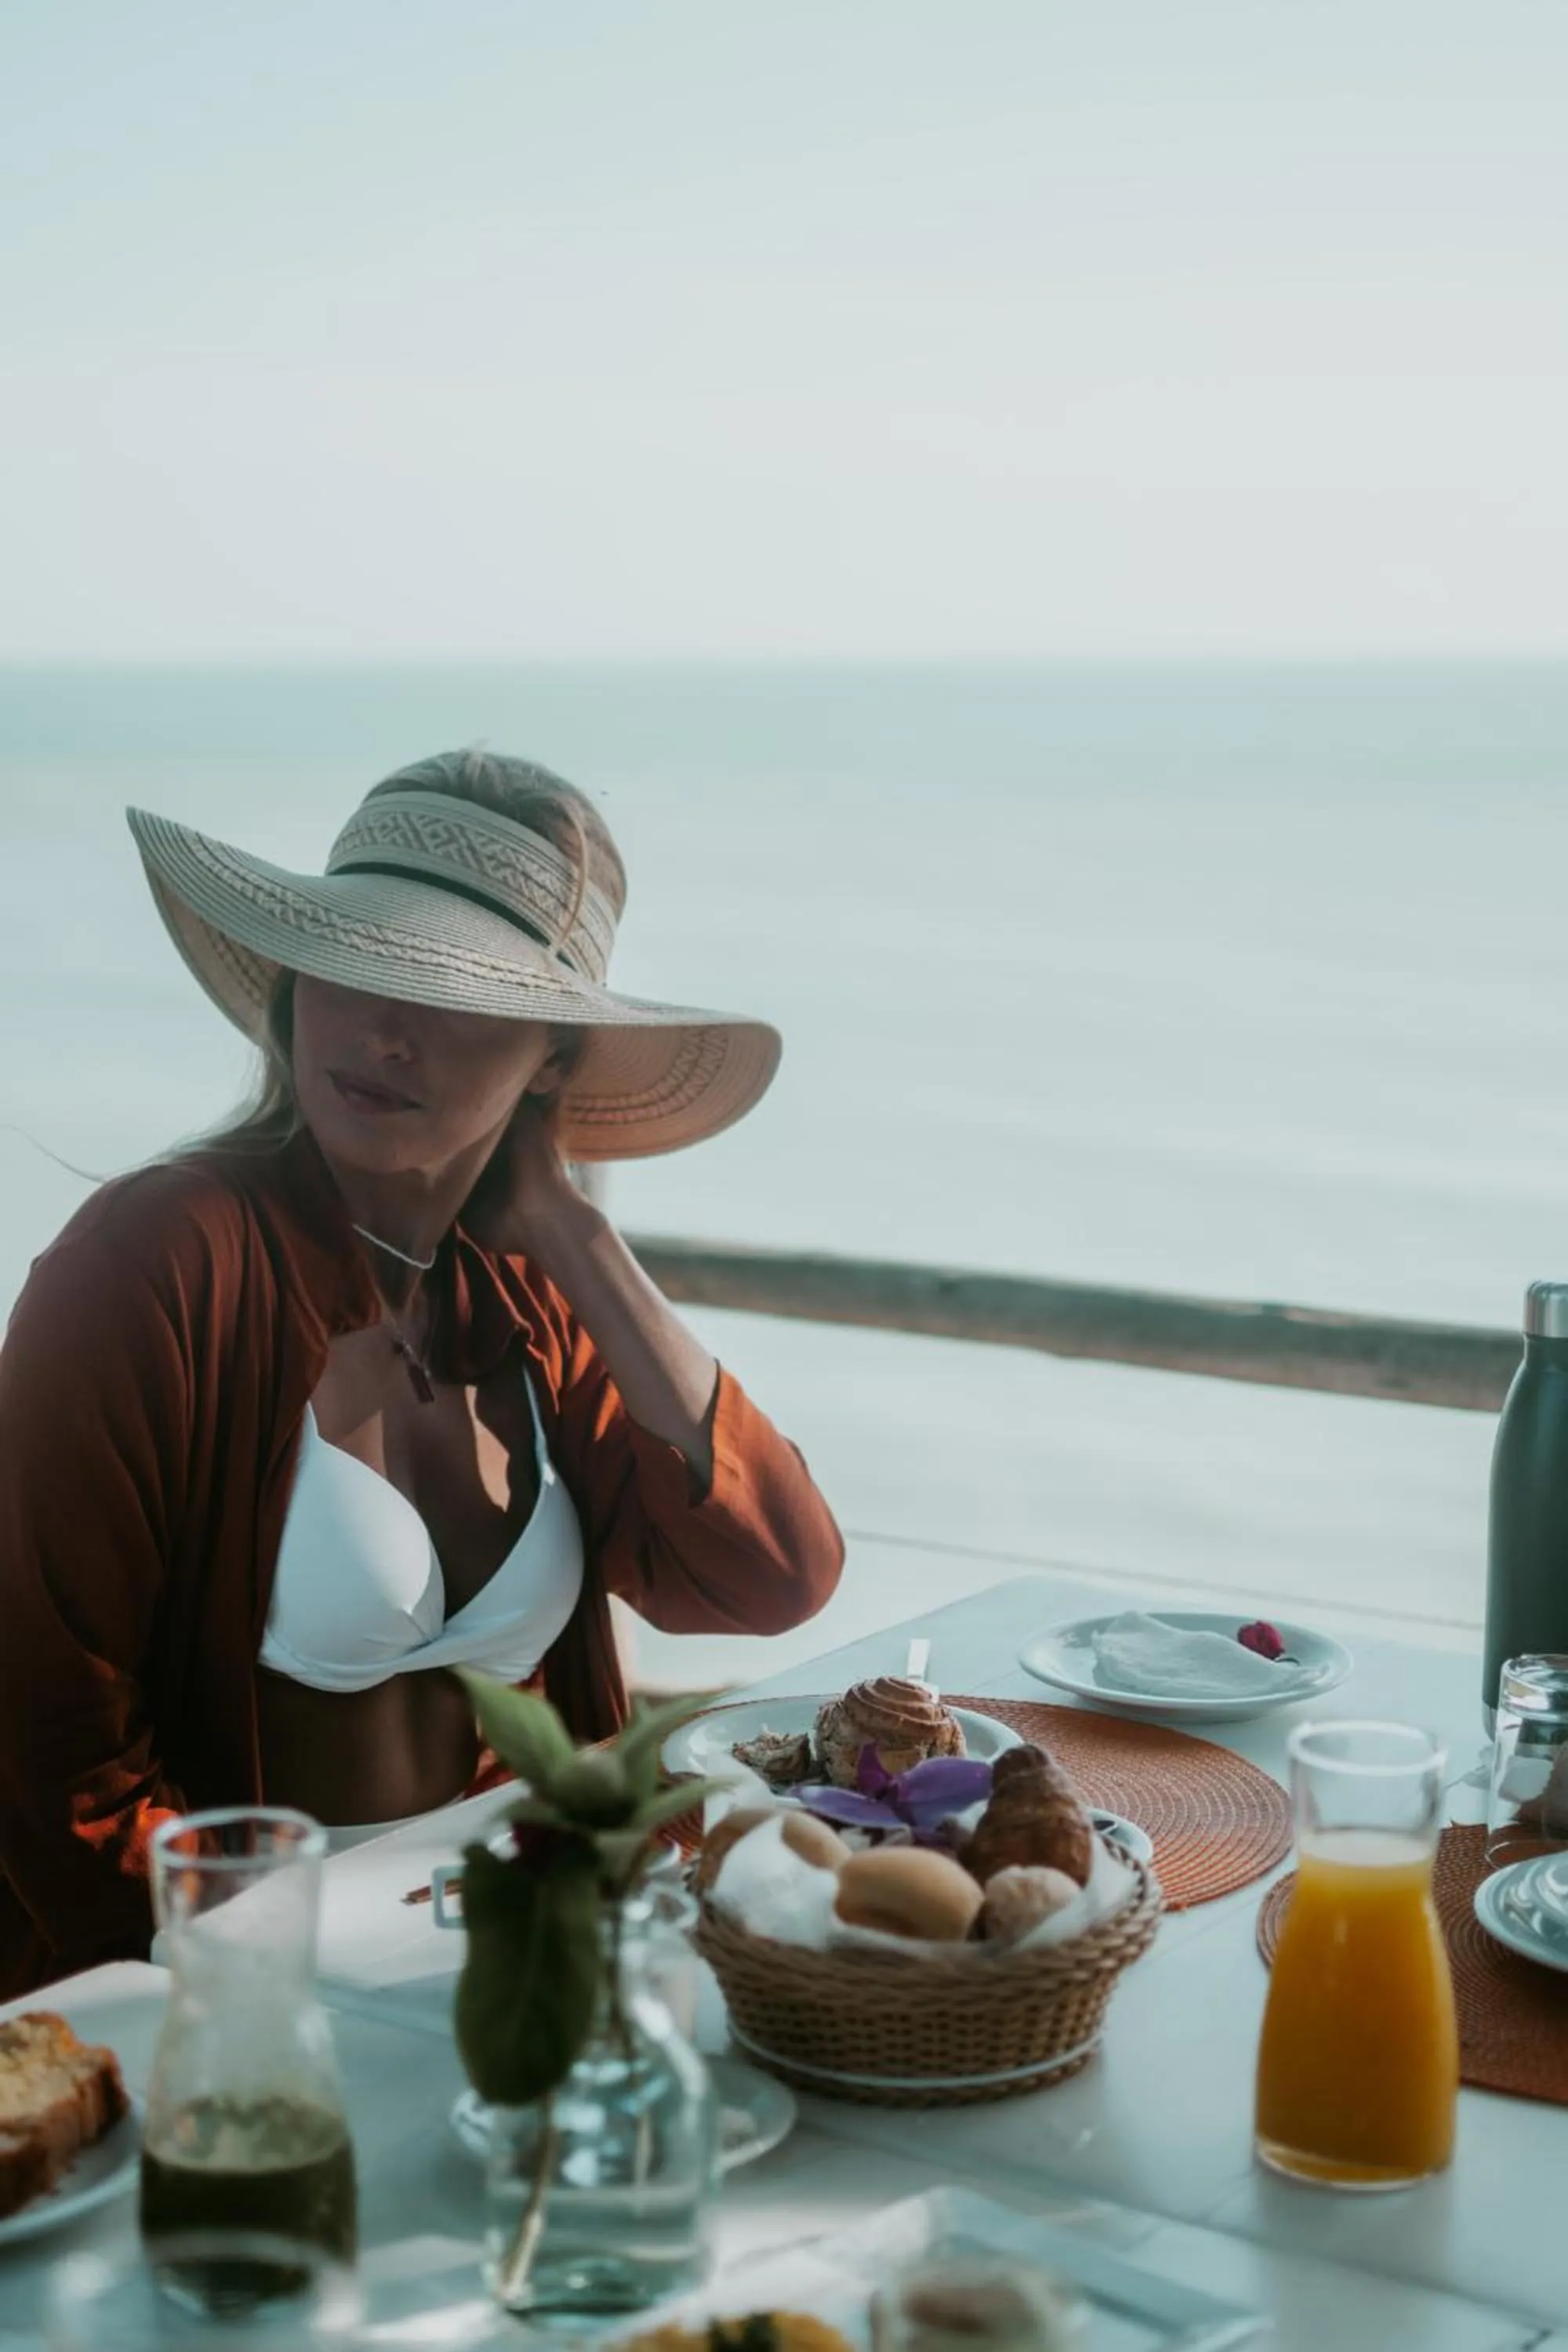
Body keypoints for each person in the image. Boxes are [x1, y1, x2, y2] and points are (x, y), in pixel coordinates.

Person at [0, 749, 844, 1997]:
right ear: (290, 982)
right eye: (347, 962)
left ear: (553, 1057)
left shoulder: (535, 1300)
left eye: (451, 988)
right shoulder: (163, 1258)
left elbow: (771, 1574)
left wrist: (576, 1232)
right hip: (222, 1979)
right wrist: (248, 1996)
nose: (381, 1029)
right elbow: (44, 1729)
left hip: (517, 1954)